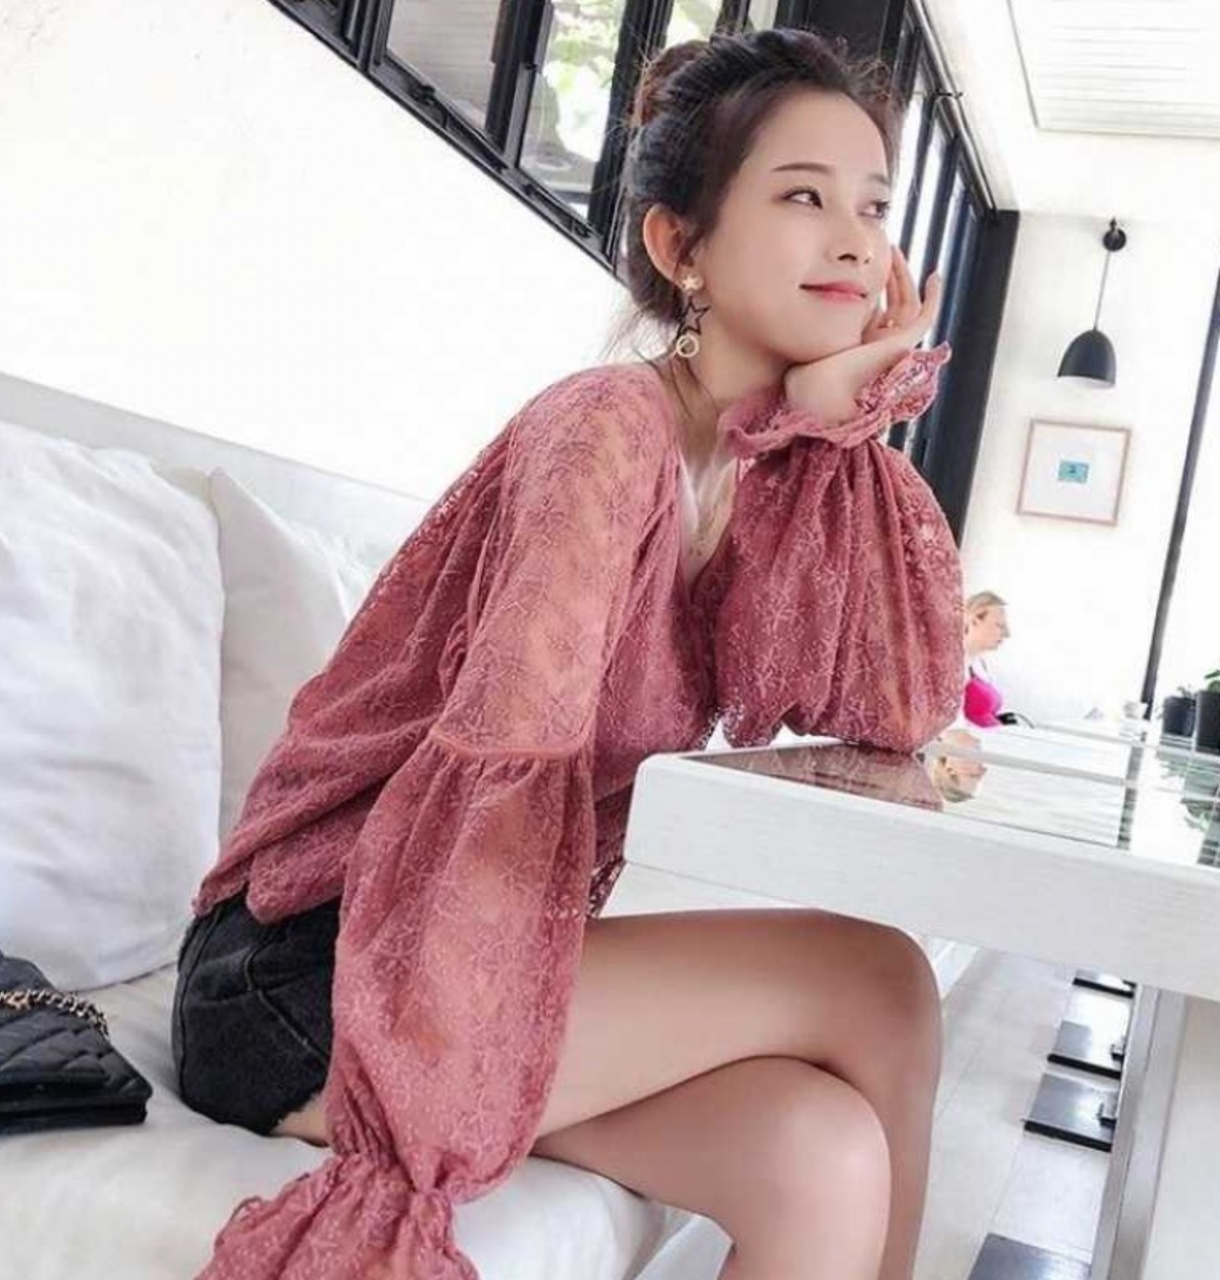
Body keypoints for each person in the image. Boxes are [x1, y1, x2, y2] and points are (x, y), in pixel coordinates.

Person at [172, 27, 966, 1280]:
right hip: (313, 970)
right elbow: (502, 758)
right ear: (678, 245)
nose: (856, 243)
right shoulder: (602, 430)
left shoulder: (756, 479)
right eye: (801, 196)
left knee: (818, 1156)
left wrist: (837, 430)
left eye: (872, 206)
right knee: (879, 980)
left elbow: (901, 700)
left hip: (468, 948)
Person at [962, 590, 1011, 728]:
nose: (1007, 634)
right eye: (999, 625)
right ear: (974, 622)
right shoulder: (952, 666)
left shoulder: (978, 663)